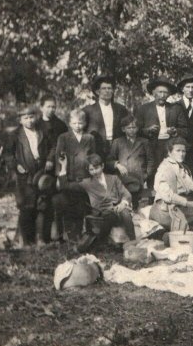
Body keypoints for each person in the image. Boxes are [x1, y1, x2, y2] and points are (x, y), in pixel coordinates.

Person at [55, 153, 135, 251]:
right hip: (102, 213)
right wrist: (63, 166)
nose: (94, 172)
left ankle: (133, 242)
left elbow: (126, 194)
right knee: (110, 215)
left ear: (102, 166)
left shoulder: (113, 178)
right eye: (91, 170)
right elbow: (65, 186)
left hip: (118, 209)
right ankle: (97, 243)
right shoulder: (87, 183)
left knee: (125, 212)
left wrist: (123, 203)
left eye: (96, 168)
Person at [7, 104, 55, 246]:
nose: (29, 121)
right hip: (24, 176)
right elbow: (8, 155)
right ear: (20, 120)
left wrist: (50, 159)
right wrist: (16, 165)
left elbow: (54, 146)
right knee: (26, 206)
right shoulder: (15, 135)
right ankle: (26, 240)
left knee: (42, 204)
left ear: (36, 117)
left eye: (31, 117)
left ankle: (40, 238)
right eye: (25, 118)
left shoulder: (43, 132)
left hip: (41, 174)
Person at [52, 109, 100, 238]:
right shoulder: (64, 137)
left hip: (85, 176)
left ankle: (87, 234)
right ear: (69, 123)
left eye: (80, 123)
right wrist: (60, 175)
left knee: (84, 205)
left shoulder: (89, 138)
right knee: (70, 205)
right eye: (74, 123)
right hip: (70, 176)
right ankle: (72, 234)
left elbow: (93, 157)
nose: (77, 126)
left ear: (84, 123)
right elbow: (58, 157)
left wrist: (94, 174)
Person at [135, 77, 189, 190]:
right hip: (151, 147)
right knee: (153, 175)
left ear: (169, 94)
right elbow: (136, 130)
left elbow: (185, 129)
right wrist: (147, 130)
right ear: (153, 93)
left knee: (170, 175)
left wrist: (175, 131)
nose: (162, 95)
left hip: (170, 147)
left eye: (165, 92)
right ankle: (153, 202)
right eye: (160, 92)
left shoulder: (175, 108)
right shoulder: (144, 109)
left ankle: (171, 201)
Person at [106, 115, 155, 209]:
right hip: (123, 178)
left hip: (139, 177)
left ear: (138, 128)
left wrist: (147, 175)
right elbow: (109, 160)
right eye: (129, 128)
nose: (132, 130)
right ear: (123, 129)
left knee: (136, 204)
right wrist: (117, 165)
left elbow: (151, 160)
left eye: (134, 127)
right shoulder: (117, 142)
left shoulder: (144, 142)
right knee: (124, 201)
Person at [83, 76, 130, 157]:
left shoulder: (121, 109)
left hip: (117, 149)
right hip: (96, 149)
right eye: (104, 88)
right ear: (98, 92)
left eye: (109, 88)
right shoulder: (88, 111)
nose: (107, 91)